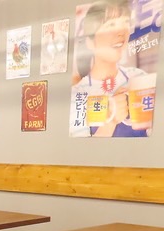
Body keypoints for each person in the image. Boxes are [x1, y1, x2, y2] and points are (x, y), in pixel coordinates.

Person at [69, 0, 149, 137]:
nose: (121, 32)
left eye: (125, 23)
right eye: (111, 25)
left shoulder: (139, 77)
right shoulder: (78, 93)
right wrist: (111, 120)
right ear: (90, 42)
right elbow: (81, 148)